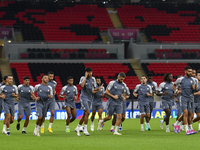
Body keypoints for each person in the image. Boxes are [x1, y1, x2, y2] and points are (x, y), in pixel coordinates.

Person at [172, 66, 196, 135]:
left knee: (190, 114)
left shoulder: (193, 80)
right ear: (185, 71)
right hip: (183, 98)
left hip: (190, 98)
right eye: (189, 71)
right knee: (185, 113)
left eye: (191, 71)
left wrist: (193, 88)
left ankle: (190, 128)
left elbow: (193, 89)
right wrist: (177, 90)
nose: (190, 73)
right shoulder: (181, 79)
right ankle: (186, 130)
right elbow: (173, 85)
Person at [75, 67, 97, 136]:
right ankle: (85, 130)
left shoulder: (93, 79)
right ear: (86, 72)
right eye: (89, 72)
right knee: (87, 112)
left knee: (85, 114)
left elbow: (93, 90)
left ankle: (77, 127)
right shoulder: (82, 78)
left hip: (90, 98)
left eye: (91, 72)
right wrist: (85, 77)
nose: (90, 74)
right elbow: (82, 85)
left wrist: (98, 90)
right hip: (83, 97)